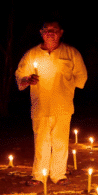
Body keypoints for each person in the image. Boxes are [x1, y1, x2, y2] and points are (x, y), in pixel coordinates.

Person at [16, 21, 87, 185]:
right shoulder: (32, 54)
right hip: (40, 106)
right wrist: (28, 80)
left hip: (63, 106)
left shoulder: (71, 53)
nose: (50, 33)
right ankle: (39, 176)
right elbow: (20, 75)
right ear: (41, 33)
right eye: (46, 30)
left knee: (61, 142)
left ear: (61, 32)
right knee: (41, 143)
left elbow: (81, 76)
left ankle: (59, 175)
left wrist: (67, 86)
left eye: (54, 30)